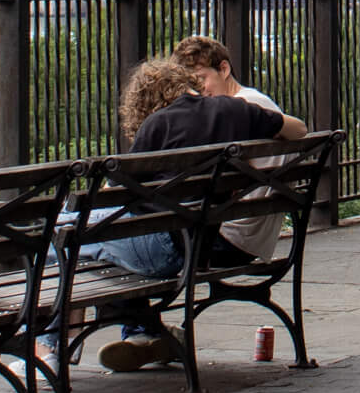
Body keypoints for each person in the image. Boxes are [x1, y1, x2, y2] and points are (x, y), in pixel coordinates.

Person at [82, 57, 307, 372]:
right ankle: (145, 333)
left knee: (75, 237)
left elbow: (112, 195)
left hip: (176, 249)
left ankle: (125, 333)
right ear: (195, 85)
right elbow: (299, 129)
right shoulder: (236, 110)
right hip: (205, 240)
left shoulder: (158, 125)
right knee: (95, 241)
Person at [171, 35, 288, 265]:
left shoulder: (238, 110)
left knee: (128, 244)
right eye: (192, 85)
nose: (200, 91)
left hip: (225, 238)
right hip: (250, 236)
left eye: (202, 78)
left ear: (223, 69)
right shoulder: (259, 104)